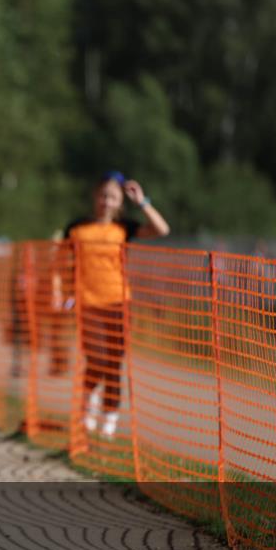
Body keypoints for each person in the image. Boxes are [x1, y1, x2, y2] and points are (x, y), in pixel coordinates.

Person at [63, 171, 170, 442]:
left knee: (114, 363)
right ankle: (87, 406)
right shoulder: (76, 227)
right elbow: (60, 261)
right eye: (103, 196)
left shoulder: (124, 228)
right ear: (95, 197)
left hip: (119, 302)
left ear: (120, 201)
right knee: (97, 359)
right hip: (87, 302)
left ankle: (109, 419)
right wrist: (60, 291)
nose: (106, 202)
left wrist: (142, 202)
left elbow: (162, 229)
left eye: (112, 197)